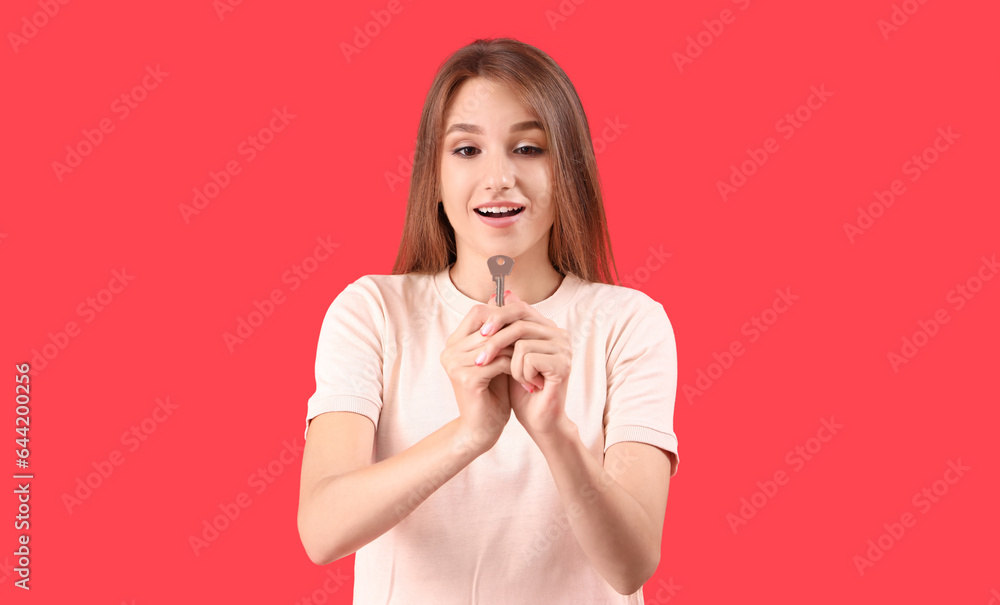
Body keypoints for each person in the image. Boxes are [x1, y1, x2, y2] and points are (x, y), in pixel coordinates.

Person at [297, 37, 679, 604]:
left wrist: (554, 433)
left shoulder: (629, 325)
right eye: (467, 150)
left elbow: (631, 564)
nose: (499, 177)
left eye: (528, 148)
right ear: (434, 177)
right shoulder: (372, 312)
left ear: (568, 168)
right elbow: (322, 530)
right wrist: (470, 434)